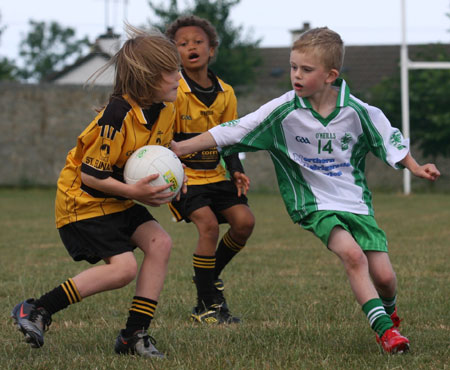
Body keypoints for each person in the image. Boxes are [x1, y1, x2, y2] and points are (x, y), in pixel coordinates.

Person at [171, 27, 441, 353]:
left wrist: (415, 166)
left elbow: (389, 140)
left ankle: (390, 312)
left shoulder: (358, 112)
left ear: (330, 75)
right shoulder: (282, 111)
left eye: (306, 70)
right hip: (313, 205)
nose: (296, 75)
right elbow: (229, 131)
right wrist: (178, 148)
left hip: (354, 202)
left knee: (384, 277)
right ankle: (386, 333)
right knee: (353, 256)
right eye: (293, 67)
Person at [11, 25, 183, 359]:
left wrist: (179, 174)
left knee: (160, 243)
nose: (179, 76)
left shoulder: (167, 108)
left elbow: (160, 152)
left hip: (118, 196)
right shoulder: (116, 117)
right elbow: (91, 176)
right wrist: (136, 192)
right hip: (83, 200)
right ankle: (36, 310)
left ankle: (134, 336)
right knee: (123, 269)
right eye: (171, 70)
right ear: (147, 78)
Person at [165, 15, 255, 324]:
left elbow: (228, 137)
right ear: (174, 52)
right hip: (185, 178)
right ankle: (206, 304)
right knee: (208, 225)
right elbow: (163, 139)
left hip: (215, 175)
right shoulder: (172, 91)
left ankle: (208, 276)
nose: (191, 47)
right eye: (183, 43)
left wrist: (236, 169)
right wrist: (174, 175)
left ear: (211, 49)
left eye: (198, 42)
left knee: (244, 222)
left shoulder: (226, 93)